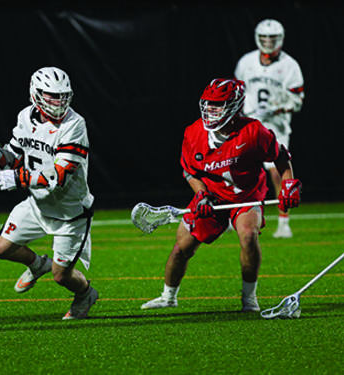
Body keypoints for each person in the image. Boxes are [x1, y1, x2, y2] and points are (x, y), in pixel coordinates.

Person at [140, 78, 302, 312]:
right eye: (208, 104)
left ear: (235, 106)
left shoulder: (254, 131)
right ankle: (168, 296)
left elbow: (281, 158)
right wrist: (202, 196)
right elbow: (189, 172)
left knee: (248, 235)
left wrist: (288, 184)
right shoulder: (193, 133)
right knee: (181, 248)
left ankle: (249, 299)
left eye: (218, 105)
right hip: (213, 198)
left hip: (246, 196)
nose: (211, 111)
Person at [0, 67, 98, 320]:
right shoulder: (25, 116)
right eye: (52, 96)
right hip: (37, 205)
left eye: (63, 96)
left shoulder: (74, 124)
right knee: (1, 248)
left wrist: (17, 178)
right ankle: (37, 265)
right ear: (35, 95)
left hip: (70, 214)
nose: (59, 102)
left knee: (62, 276)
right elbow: (11, 160)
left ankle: (85, 293)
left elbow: (59, 177)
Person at [235, 19, 305, 238]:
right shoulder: (246, 62)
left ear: (280, 39)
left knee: (277, 172)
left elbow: (298, 99)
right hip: (249, 124)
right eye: (264, 38)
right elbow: (236, 90)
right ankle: (232, 214)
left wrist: (278, 108)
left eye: (272, 38)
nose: (267, 42)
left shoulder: (290, 65)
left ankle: (284, 222)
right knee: (236, 169)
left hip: (276, 126)